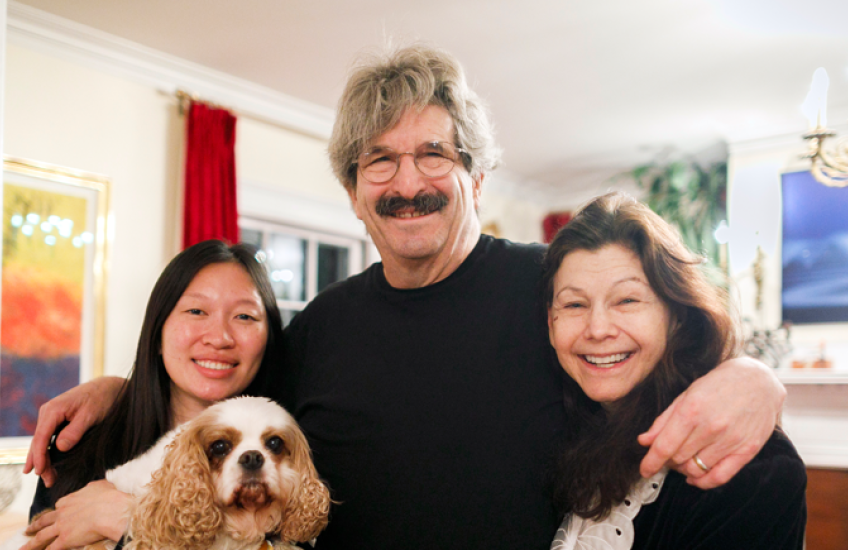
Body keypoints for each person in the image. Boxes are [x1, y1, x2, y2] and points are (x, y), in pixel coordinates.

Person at [25, 45, 786, 550]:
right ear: (353, 196)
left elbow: (655, 342)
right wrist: (123, 385)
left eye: (434, 154)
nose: (408, 182)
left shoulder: (551, 288)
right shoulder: (320, 329)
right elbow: (223, 413)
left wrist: (755, 378)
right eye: (378, 162)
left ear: (477, 180)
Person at [544, 192, 806, 549]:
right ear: (550, 322)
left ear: (676, 315)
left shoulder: (745, 465)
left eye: (627, 300)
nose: (598, 328)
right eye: (574, 304)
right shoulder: (552, 426)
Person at [22, 240, 283, 550]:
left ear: (268, 339)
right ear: (157, 333)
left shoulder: (284, 464)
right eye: (196, 311)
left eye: (244, 317)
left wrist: (129, 520)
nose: (220, 338)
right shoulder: (81, 451)